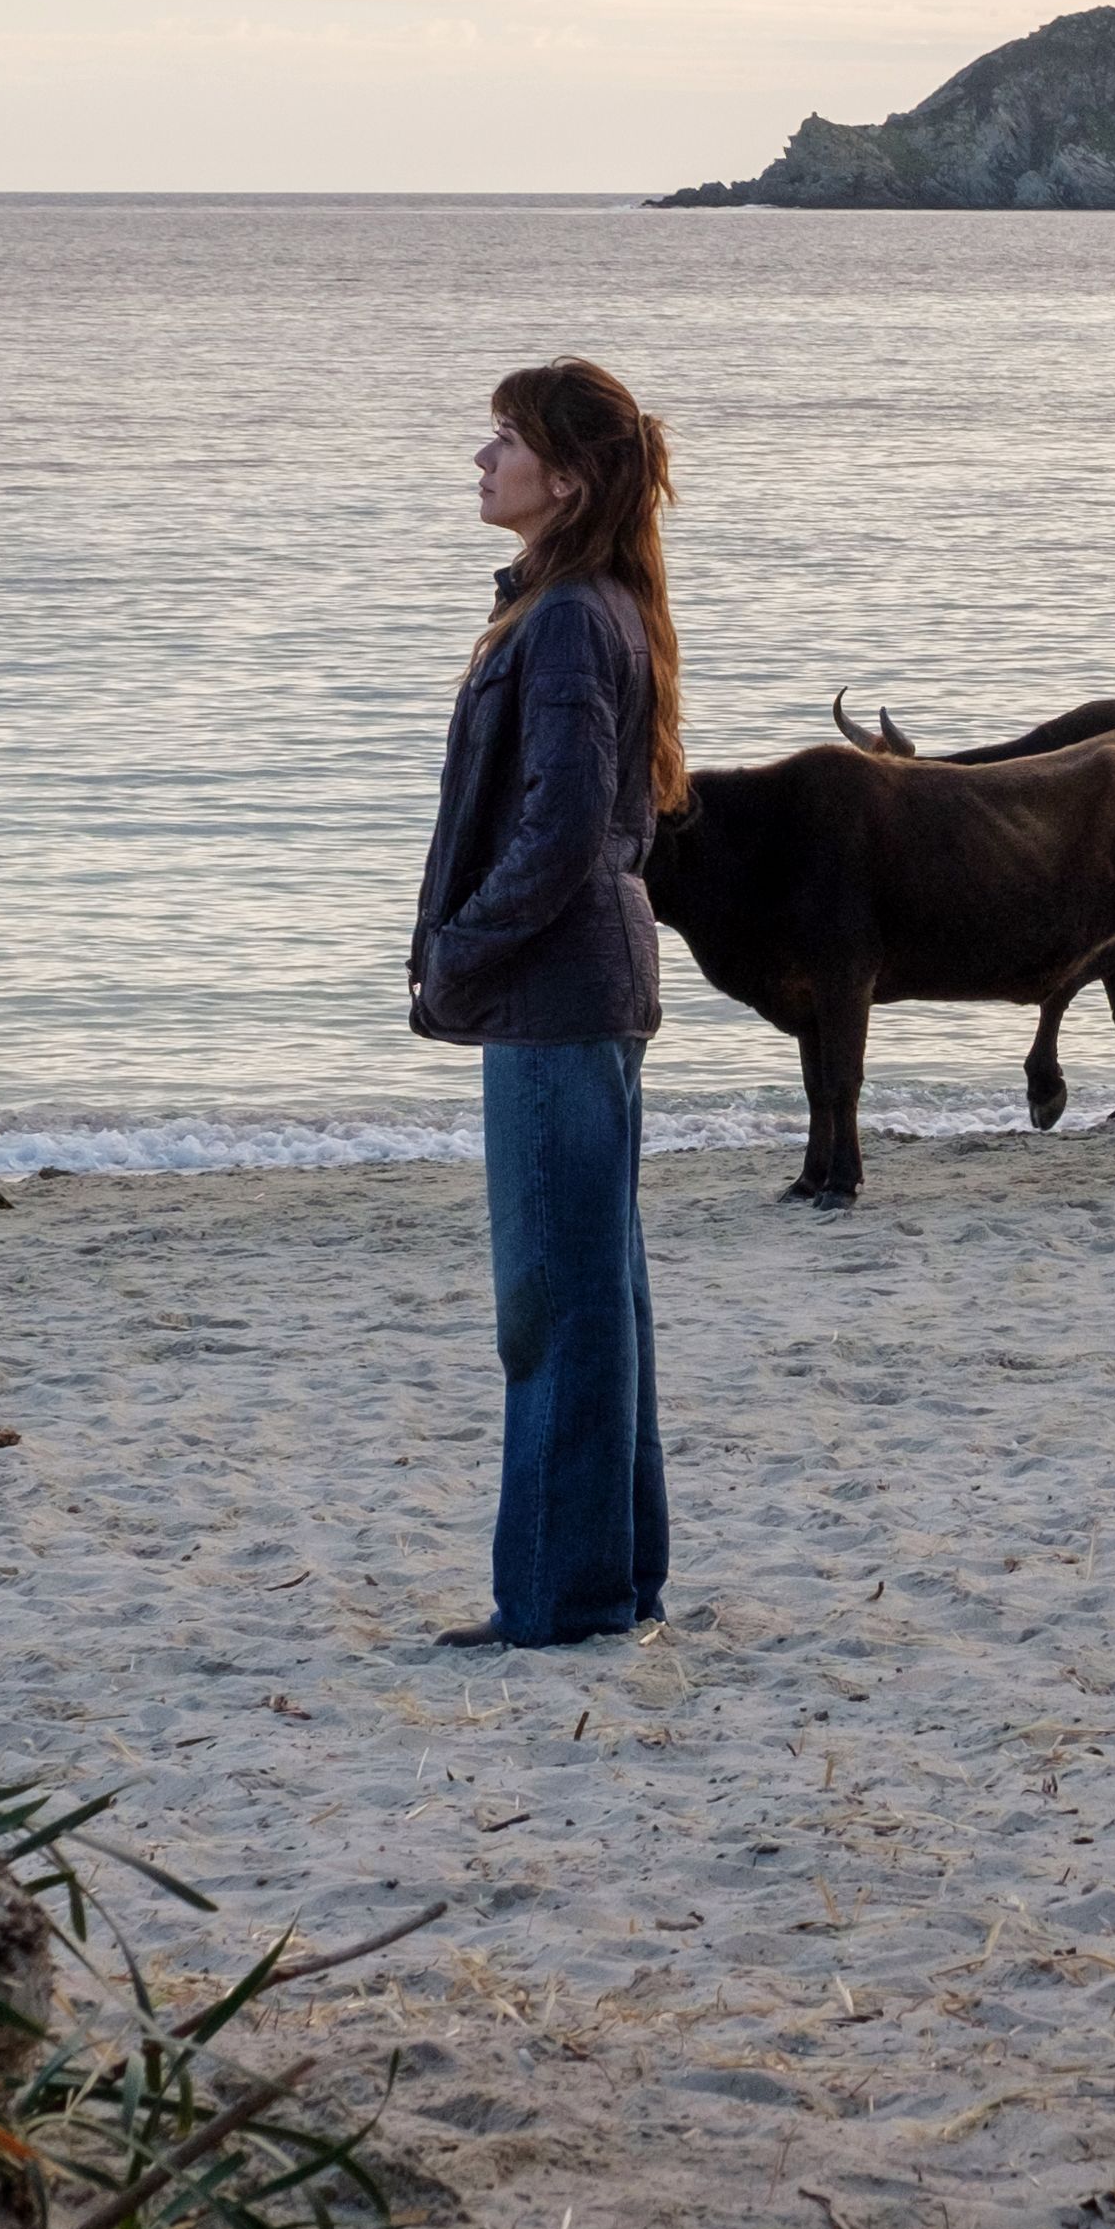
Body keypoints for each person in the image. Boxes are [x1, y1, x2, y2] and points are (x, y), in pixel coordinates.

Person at [410, 357, 685, 1645]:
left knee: (554, 1307)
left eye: (503, 441)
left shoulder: (574, 615)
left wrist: (463, 949)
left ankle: (564, 1601)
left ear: (564, 477)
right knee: (594, 1293)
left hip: (558, 991)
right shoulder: (582, 603)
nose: (481, 461)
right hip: (585, 987)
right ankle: (610, 1583)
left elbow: (566, 825)